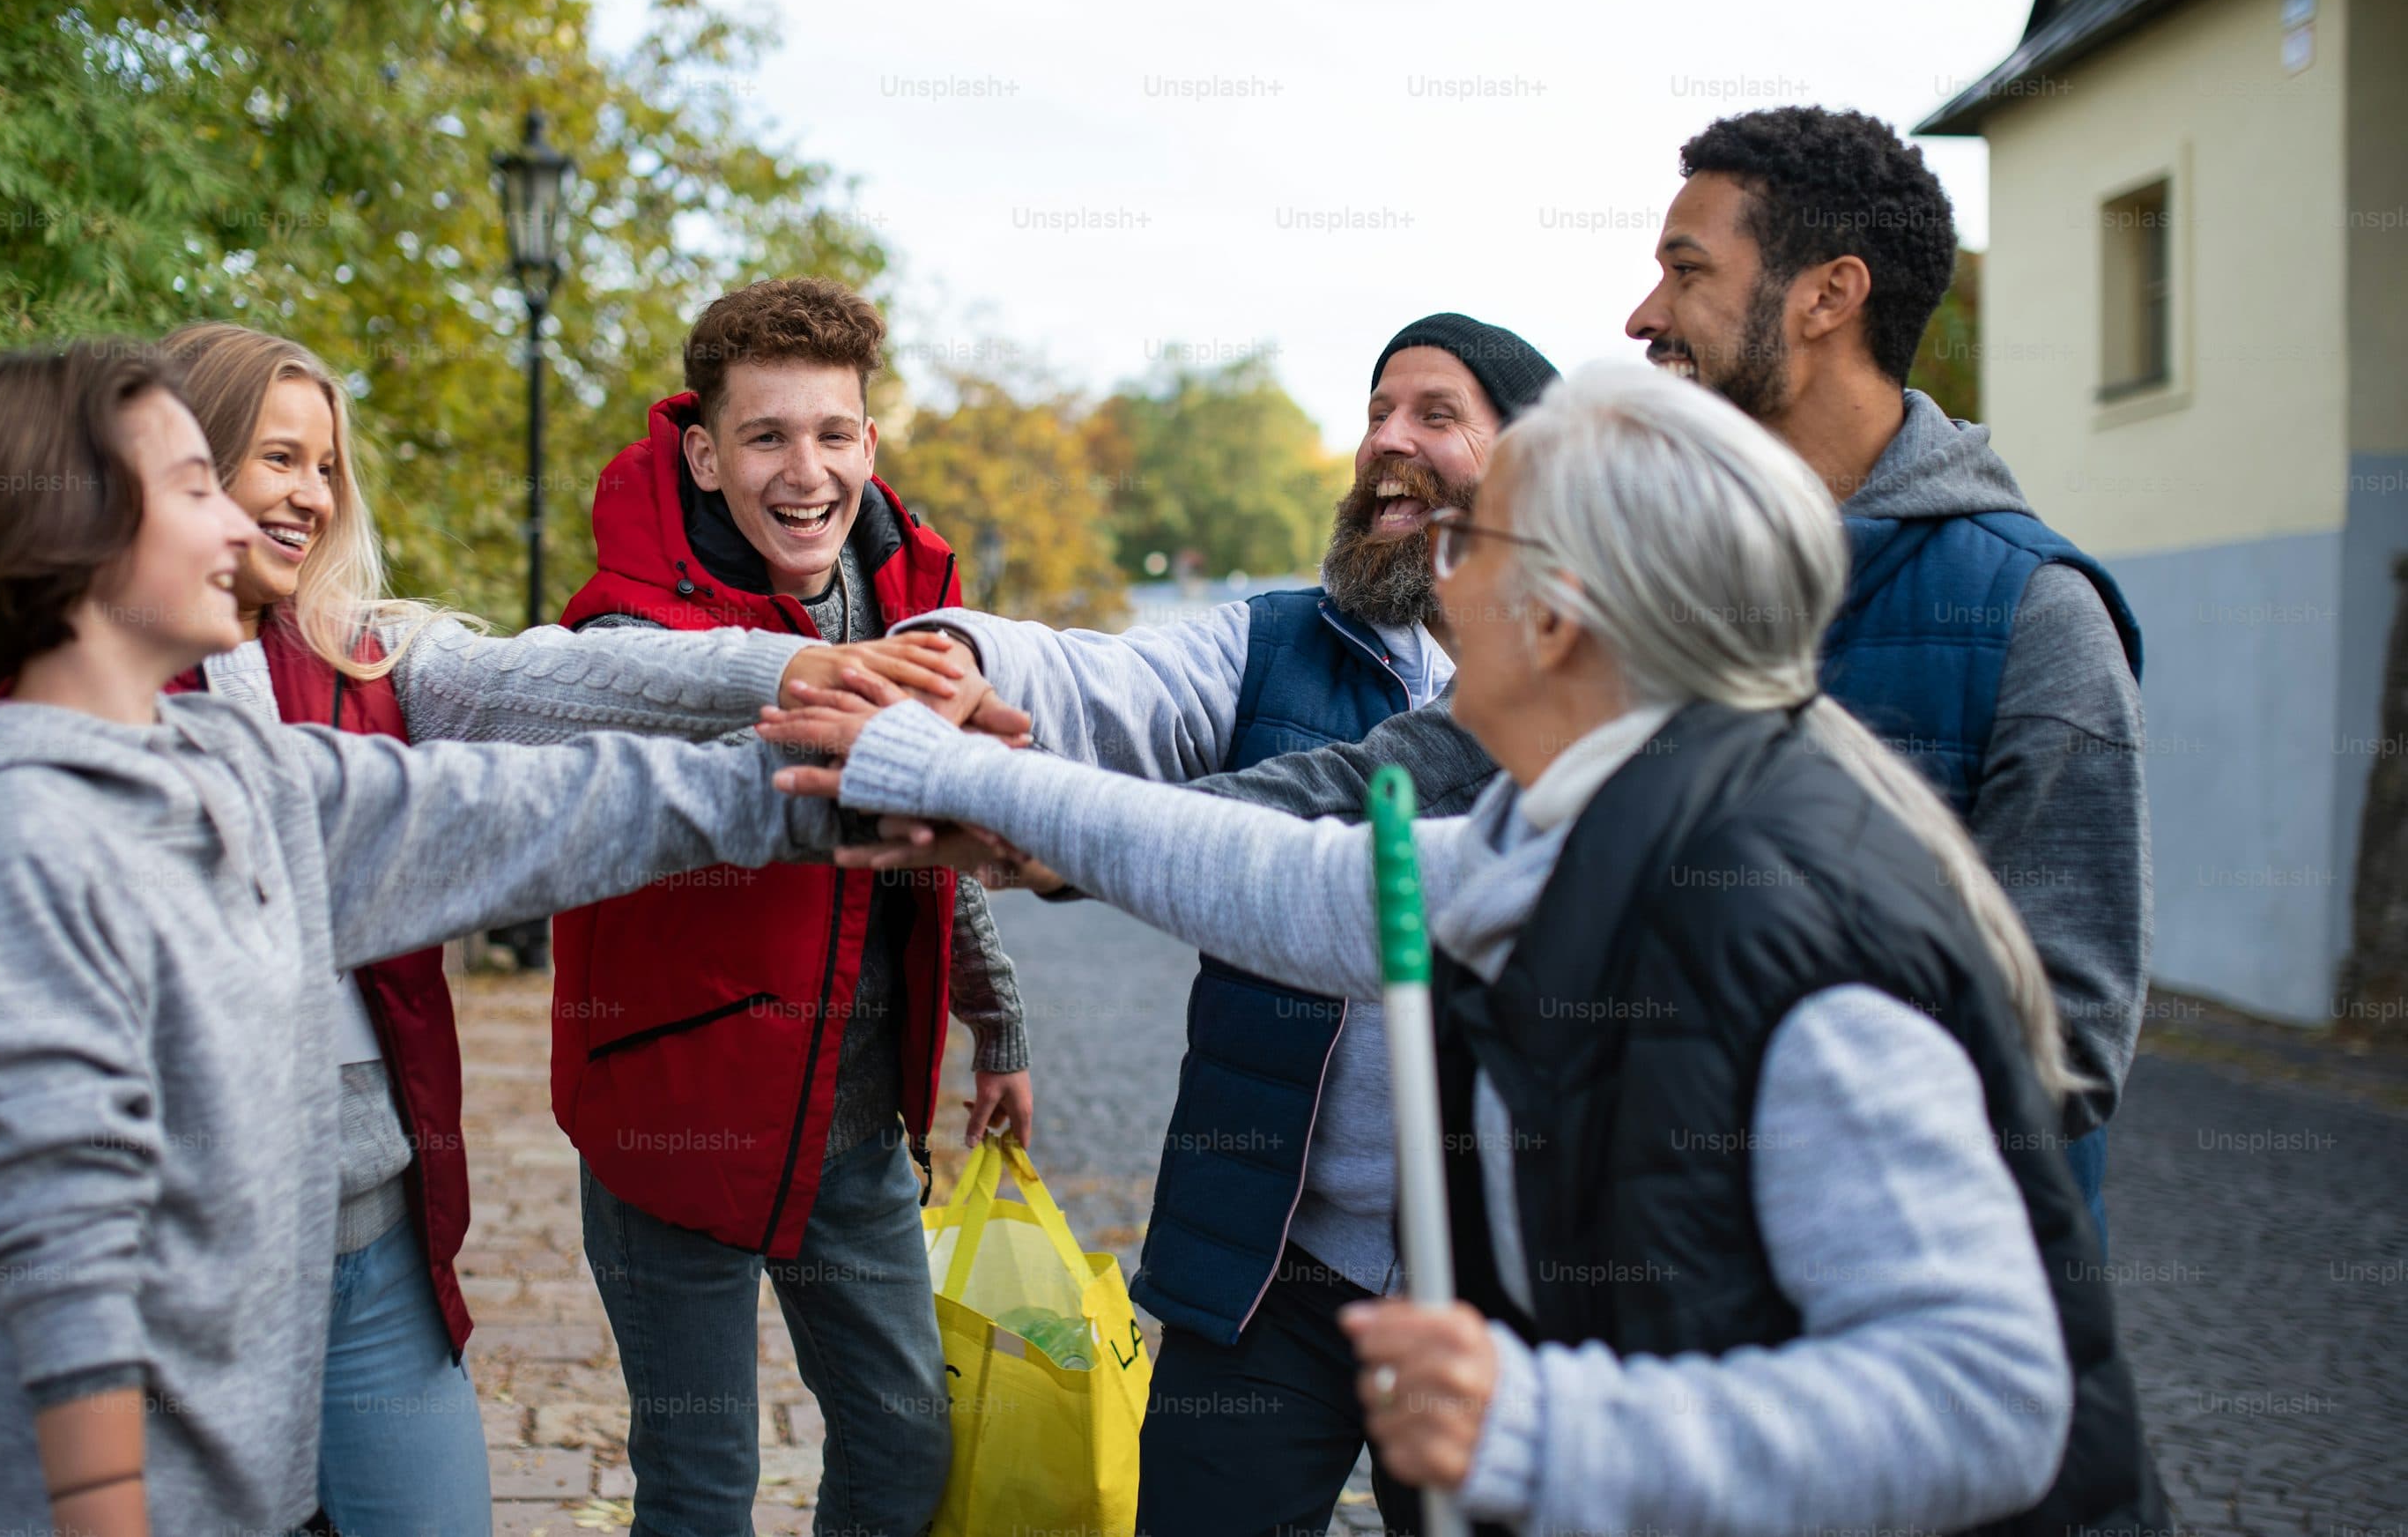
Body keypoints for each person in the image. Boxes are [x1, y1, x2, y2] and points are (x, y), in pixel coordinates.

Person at [767, 365, 2168, 1535]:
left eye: (1467, 546)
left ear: (1554, 612)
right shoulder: (1584, 817)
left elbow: (1989, 1393)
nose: (1439, 588)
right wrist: (973, 779)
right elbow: (1295, 883)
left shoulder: (1757, 900)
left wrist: (1546, 1420)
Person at [0, 339, 842, 1537]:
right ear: (76, 531)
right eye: (200, 483)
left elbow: (525, 810)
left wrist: (837, 776)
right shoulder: (23, 827)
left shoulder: (228, 766)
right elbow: (63, 1246)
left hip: (342, 1262)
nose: (250, 521)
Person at [155, 321, 995, 1535]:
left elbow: (560, 688)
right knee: (700, 1477)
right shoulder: (103, 696)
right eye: (272, 456)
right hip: (196, 1248)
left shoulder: (372, 648)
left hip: (377, 1226)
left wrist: (793, 672)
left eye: (324, 464)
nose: (307, 491)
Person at [894, 314, 1555, 1536]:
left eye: (1435, 414)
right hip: (1271, 1260)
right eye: (1376, 412)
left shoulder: (1574, 677)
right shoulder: (1274, 641)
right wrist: (949, 655)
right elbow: (1108, 683)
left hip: (1500, 1287)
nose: (1387, 443)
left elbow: (1337, 810)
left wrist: (1062, 836)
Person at [549, 278, 1031, 1537]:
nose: (804, 469)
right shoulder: (623, 626)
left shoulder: (924, 608)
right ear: (705, 455)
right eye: (766, 436)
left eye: (832, 433)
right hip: (673, 1118)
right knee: (703, 1487)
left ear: (870, 444)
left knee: (904, 1441)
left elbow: (931, 842)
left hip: (854, 1119)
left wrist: (1001, 1024)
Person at [1625, 106, 2149, 1237]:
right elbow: (1443, 782)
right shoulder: (1662, 591)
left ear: (1826, 296)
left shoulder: (2035, 615)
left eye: (1685, 271)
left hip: (1929, 1336)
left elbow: (2062, 1039)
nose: (1644, 317)